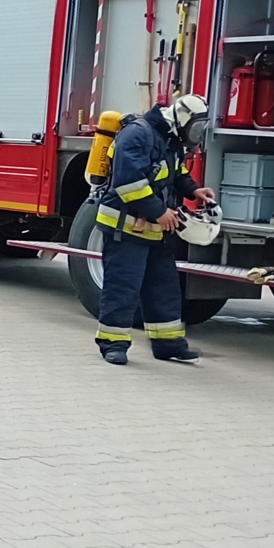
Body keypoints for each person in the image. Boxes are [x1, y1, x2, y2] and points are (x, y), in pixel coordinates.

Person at [91, 93, 213, 365]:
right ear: (182, 119)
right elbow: (128, 183)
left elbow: (175, 173)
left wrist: (194, 191)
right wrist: (159, 212)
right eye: (195, 128)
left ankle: (168, 343)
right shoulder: (137, 134)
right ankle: (113, 344)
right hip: (125, 227)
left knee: (164, 287)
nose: (196, 135)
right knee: (123, 288)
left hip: (155, 229)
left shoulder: (171, 139)